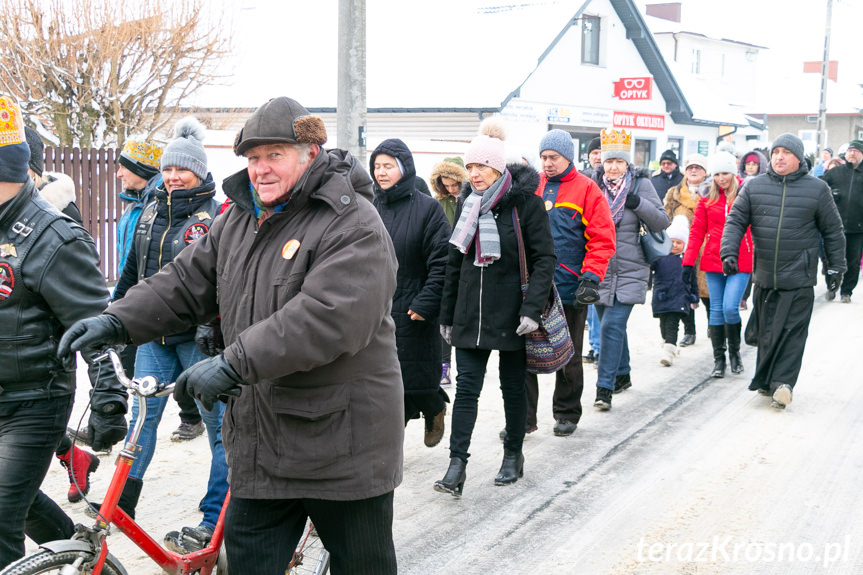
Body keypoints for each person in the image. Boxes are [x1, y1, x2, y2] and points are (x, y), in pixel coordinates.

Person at [59, 96, 404, 574]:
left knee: (362, 565)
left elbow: (329, 317)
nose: (260, 169)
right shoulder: (240, 218)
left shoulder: (353, 221)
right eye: (252, 158)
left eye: (274, 155)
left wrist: (233, 363)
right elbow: (183, 282)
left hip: (341, 447)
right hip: (261, 445)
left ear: (310, 153)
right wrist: (117, 320)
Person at [0, 96, 128, 569]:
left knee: (0, 512)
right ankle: (83, 559)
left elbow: (94, 325)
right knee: (18, 500)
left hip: (34, 401)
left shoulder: (55, 237)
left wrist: (109, 398)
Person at [103, 117, 227, 553]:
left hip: (198, 340)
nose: (174, 177)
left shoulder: (214, 215)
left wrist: (210, 328)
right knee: (143, 418)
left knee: (219, 427)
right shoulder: (152, 209)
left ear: (200, 170)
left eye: (183, 170)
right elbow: (134, 275)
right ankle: (123, 501)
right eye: (169, 169)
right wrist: (115, 319)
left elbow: (221, 284)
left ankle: (215, 517)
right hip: (155, 339)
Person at [435, 119, 554, 496]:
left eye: (481, 167)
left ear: (498, 167)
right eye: (470, 167)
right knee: (467, 389)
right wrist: (447, 316)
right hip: (471, 315)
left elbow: (544, 261)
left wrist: (532, 310)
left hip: (512, 315)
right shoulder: (467, 205)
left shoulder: (527, 206)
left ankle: (513, 455)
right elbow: (454, 262)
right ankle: (457, 466)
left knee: (512, 389)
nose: (474, 174)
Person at [721, 133, 846, 409]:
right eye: (775, 151)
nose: (779, 156)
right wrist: (728, 252)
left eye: (786, 152)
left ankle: (784, 383)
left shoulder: (817, 189)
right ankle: (767, 381)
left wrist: (837, 265)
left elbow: (833, 231)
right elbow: (735, 222)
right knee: (767, 332)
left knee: (792, 333)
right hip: (765, 275)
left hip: (799, 278)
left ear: (798, 158)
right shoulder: (754, 188)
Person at [524, 129, 614, 437]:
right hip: (532, 288)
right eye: (544, 157)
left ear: (568, 158)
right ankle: (523, 417)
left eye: (554, 158)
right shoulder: (531, 186)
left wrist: (591, 276)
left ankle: (566, 412)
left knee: (570, 354)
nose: (547, 163)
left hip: (570, 286)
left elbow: (602, 239)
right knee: (523, 355)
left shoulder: (587, 190)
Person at [371, 138, 451, 448]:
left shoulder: (427, 209)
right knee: (385, 388)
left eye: (388, 166)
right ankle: (387, 453)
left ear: (403, 169)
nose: (381, 173)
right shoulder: (370, 207)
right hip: (377, 309)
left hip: (414, 310)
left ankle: (435, 408)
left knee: (415, 382)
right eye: (377, 166)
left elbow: (442, 262)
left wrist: (425, 303)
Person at [590, 128, 669, 410]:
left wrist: (639, 204)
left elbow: (662, 221)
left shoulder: (640, 185)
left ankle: (604, 388)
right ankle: (622, 374)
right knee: (609, 326)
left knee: (611, 326)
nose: (612, 167)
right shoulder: (592, 184)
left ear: (627, 163)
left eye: (619, 162)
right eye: (609, 161)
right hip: (598, 268)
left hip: (630, 268)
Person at [682, 152, 753, 378]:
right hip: (712, 260)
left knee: (730, 307)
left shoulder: (745, 194)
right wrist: (688, 262)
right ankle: (719, 359)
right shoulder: (706, 198)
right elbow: (696, 232)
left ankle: (734, 352)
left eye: (725, 173)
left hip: (740, 260)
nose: (721, 178)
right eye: (717, 174)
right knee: (715, 310)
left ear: (733, 173)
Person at [664, 153, 709, 346]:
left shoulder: (712, 192)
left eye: (698, 168)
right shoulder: (674, 193)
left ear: (705, 172)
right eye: (690, 167)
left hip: (707, 248)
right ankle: (689, 331)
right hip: (682, 249)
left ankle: (713, 326)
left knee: (708, 291)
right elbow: (665, 217)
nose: (694, 171)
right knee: (684, 290)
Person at [429, 156, 468, 386]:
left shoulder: (472, 200)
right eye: (447, 185)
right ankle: (444, 365)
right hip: (444, 265)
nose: (451, 189)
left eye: (455, 185)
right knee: (444, 317)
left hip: (466, 266)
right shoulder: (438, 203)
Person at [651, 215, 698, 366]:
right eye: (672, 242)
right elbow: (649, 269)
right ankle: (668, 344)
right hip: (662, 296)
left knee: (672, 324)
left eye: (679, 243)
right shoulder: (659, 258)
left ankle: (668, 354)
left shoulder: (687, 261)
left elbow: (693, 280)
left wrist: (694, 297)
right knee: (664, 325)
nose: (675, 245)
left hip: (680, 297)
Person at [820, 140, 863, 303]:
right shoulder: (835, 173)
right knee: (830, 260)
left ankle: (846, 292)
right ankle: (832, 287)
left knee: (852, 263)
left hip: (857, 228)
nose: (852, 153)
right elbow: (819, 188)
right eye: (850, 150)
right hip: (833, 227)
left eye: (856, 151)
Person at [580, 135, 603, 365]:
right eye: (594, 152)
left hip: (602, 249)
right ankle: (595, 346)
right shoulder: (582, 179)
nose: (598, 156)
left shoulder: (611, 180)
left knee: (599, 305)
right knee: (590, 307)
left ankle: (598, 347)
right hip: (582, 249)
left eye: (601, 152)